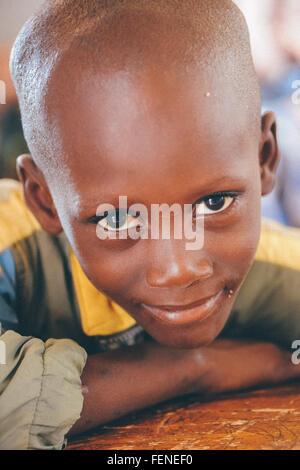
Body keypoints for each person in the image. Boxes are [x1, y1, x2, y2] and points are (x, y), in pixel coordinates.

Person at [0, 0, 300, 450]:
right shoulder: (10, 250)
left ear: (263, 158)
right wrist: (194, 366)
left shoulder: (276, 267)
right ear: (44, 200)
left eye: (214, 202)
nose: (178, 268)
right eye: (117, 218)